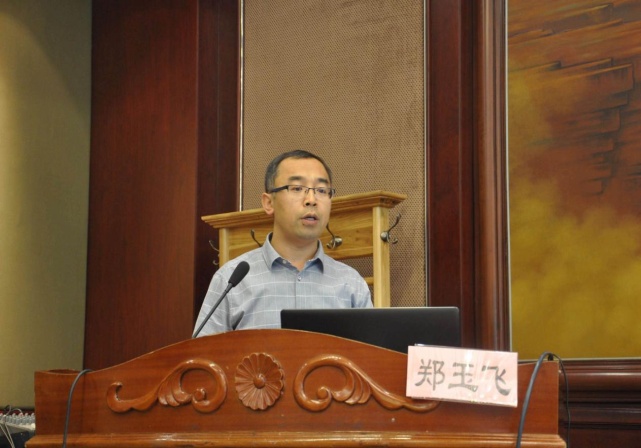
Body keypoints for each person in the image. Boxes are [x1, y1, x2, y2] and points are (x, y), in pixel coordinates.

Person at [193, 149, 372, 336]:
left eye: (321, 190)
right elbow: (202, 353)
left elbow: (372, 353)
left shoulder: (351, 284)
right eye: (297, 188)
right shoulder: (231, 280)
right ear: (268, 203)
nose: (311, 200)